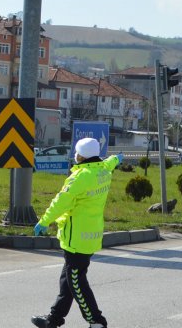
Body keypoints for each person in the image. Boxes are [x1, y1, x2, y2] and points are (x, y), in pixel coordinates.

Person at [31, 138, 122, 328]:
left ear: (81, 156)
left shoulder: (80, 177)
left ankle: (96, 321)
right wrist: (116, 159)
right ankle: (53, 319)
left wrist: (44, 221)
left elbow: (60, 202)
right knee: (68, 280)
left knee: (77, 283)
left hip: (76, 239)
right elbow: (109, 162)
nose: (75, 155)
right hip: (90, 235)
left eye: (77, 152)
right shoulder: (103, 171)